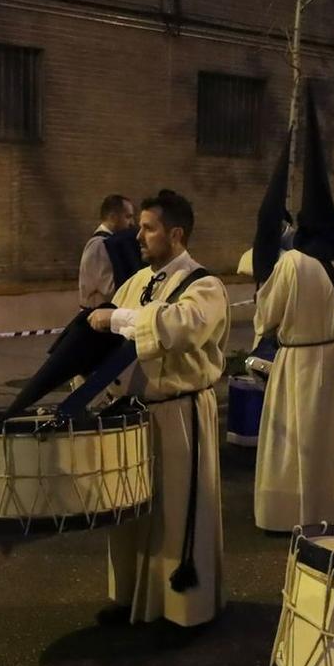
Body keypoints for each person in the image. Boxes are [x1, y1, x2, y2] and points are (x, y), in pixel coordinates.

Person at [88, 190, 229, 627]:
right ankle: (133, 599)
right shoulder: (136, 282)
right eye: (139, 227)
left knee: (177, 515)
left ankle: (183, 611)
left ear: (176, 233)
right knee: (132, 512)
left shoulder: (204, 285)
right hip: (136, 415)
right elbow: (111, 333)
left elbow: (179, 327)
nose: (138, 236)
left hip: (180, 414)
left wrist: (114, 319)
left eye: (148, 228)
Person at [253, 98, 334, 532]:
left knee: (294, 439)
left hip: (299, 361)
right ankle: (330, 511)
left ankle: (289, 513)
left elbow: (268, 316)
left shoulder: (294, 262)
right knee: (331, 438)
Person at [79, 193, 138, 307]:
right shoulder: (99, 245)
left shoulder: (114, 243)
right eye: (128, 217)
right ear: (113, 217)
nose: (132, 223)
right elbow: (109, 289)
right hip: (97, 315)